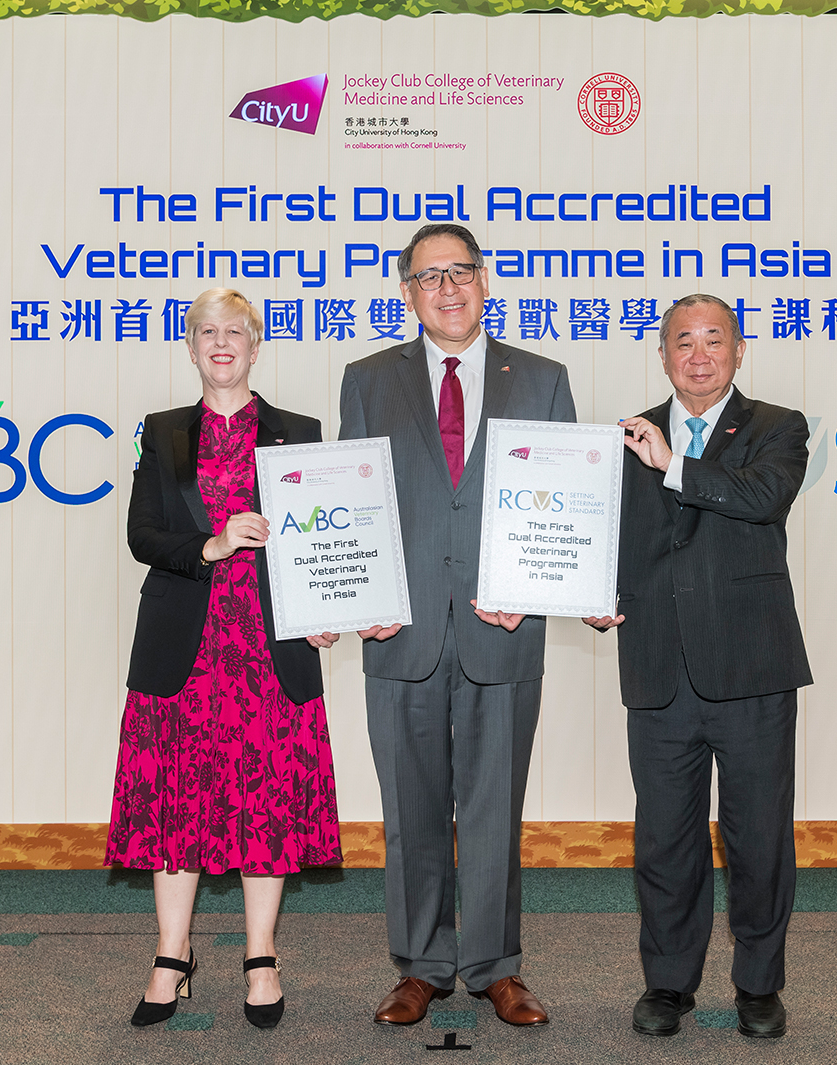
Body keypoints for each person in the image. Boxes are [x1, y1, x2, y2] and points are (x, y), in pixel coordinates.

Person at [327, 223, 576, 1027]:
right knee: (411, 808)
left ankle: (497, 967)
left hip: (502, 628)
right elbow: (348, 501)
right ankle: (421, 964)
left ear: (484, 280)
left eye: (460, 271)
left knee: (496, 808)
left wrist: (534, 590)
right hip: (399, 630)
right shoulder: (367, 378)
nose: (447, 288)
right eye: (428, 277)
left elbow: (564, 501)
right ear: (407, 293)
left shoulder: (541, 377)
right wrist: (353, 594)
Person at [106, 288, 341, 1031]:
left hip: (269, 649)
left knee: (264, 801)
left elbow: (323, 535)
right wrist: (209, 545)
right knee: (177, 801)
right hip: (185, 646)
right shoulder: (165, 431)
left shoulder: (298, 430)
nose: (220, 343)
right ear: (190, 344)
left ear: (255, 343)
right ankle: (171, 953)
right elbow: (143, 534)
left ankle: (261, 954)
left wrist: (325, 609)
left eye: (234, 331)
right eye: (206, 331)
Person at [584, 294, 812, 1040]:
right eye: (684, 340)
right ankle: (669, 984)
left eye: (715, 339)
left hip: (751, 667)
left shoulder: (778, 426)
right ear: (663, 354)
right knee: (665, 838)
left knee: (758, 835)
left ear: (739, 350)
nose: (700, 353)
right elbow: (603, 537)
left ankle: (758, 985)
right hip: (657, 668)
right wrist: (592, 593)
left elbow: (763, 497)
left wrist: (674, 463)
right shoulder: (623, 438)